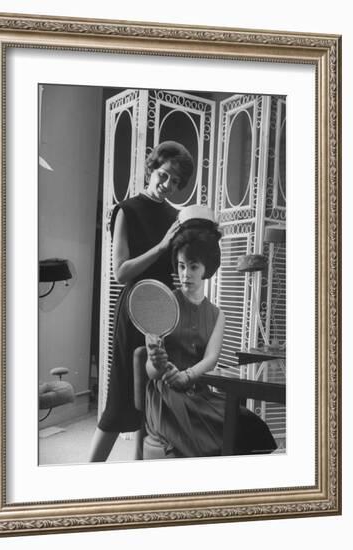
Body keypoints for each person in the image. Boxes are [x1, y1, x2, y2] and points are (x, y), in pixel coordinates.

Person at [88, 141, 195, 461]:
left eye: (176, 183)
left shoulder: (177, 217)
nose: (167, 186)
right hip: (135, 309)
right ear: (152, 169)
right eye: (163, 175)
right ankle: (84, 476)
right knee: (122, 398)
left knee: (157, 398)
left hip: (167, 313)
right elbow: (121, 272)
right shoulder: (127, 210)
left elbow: (183, 269)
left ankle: (142, 472)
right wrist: (163, 246)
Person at [144, 207, 277, 458]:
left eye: (193, 267)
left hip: (199, 391)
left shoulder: (217, 315)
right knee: (211, 441)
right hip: (166, 397)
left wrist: (187, 376)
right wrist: (156, 362)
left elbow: (210, 359)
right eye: (181, 266)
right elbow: (149, 372)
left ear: (207, 269)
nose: (186, 274)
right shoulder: (161, 305)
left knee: (251, 426)